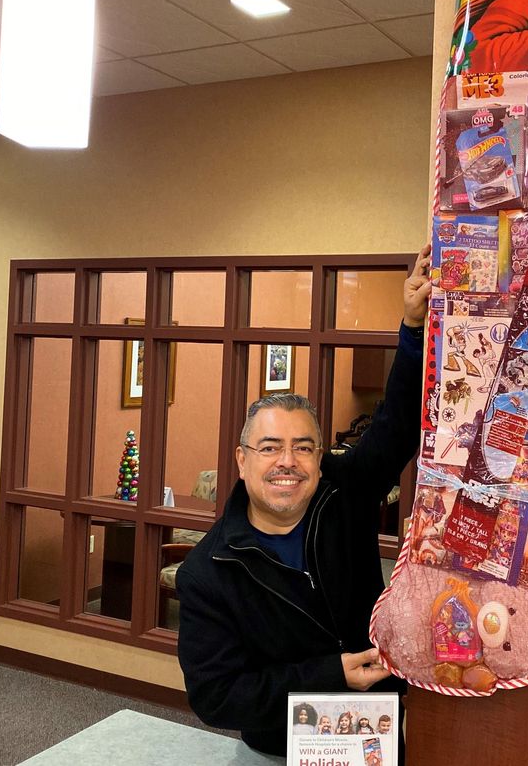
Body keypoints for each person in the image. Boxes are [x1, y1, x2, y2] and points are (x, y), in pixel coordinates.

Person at [176, 248, 432, 757]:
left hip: (376, 730)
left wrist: (412, 325)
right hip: (278, 747)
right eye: (269, 448)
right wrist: (328, 677)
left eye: (303, 447)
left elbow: (397, 426)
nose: (286, 462)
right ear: (242, 460)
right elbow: (217, 695)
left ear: (320, 458)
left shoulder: (343, 489)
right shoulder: (209, 572)